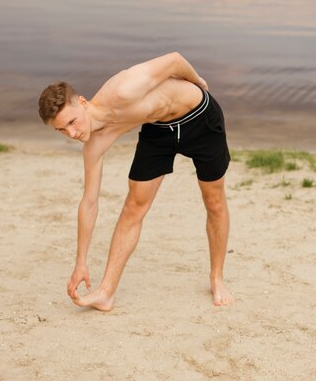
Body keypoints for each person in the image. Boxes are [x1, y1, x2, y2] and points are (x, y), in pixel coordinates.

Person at [38, 52, 234, 311]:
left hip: (199, 118)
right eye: (62, 130)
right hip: (159, 130)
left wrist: (198, 81)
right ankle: (105, 293)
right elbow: (89, 202)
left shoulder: (123, 90)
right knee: (134, 206)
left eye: (72, 122)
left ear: (83, 102)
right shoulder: (94, 144)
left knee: (214, 202)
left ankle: (216, 278)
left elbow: (175, 60)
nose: (72, 133)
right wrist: (81, 261)